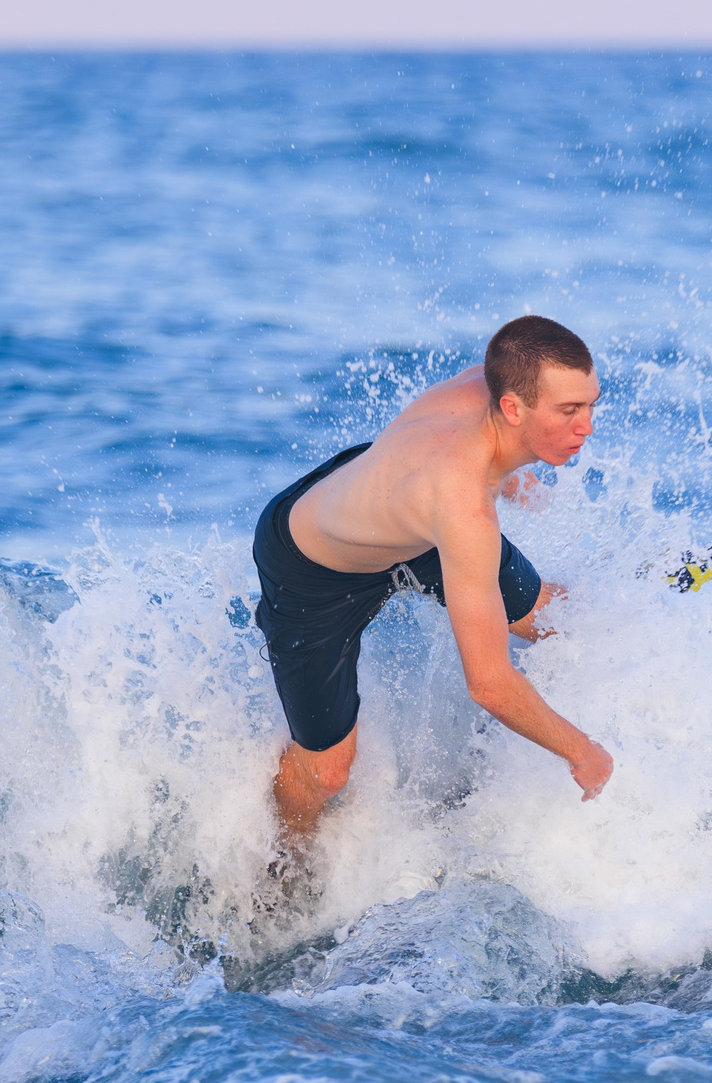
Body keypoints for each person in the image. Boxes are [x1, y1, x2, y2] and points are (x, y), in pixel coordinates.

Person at [252, 315, 616, 843]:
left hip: (405, 519)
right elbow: (488, 684)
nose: (586, 426)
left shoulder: (493, 385)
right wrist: (582, 752)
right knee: (328, 771)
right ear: (513, 408)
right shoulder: (464, 509)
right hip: (312, 568)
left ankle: (651, 594)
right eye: (569, 411)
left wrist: (514, 477)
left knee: (549, 617)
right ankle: (283, 867)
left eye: (590, 405)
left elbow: (479, 456)